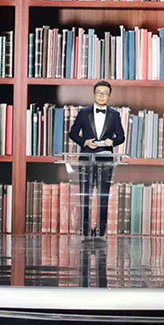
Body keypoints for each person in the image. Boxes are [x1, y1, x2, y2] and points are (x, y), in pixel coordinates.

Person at [69, 80, 125, 237]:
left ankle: (101, 232)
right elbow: (73, 133)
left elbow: (121, 137)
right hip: (86, 160)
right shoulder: (83, 113)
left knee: (103, 197)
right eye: (99, 93)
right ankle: (86, 231)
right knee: (85, 196)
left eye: (105, 93)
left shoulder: (114, 115)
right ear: (94, 94)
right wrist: (85, 142)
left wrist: (112, 142)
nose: (101, 96)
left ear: (109, 96)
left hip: (106, 160)